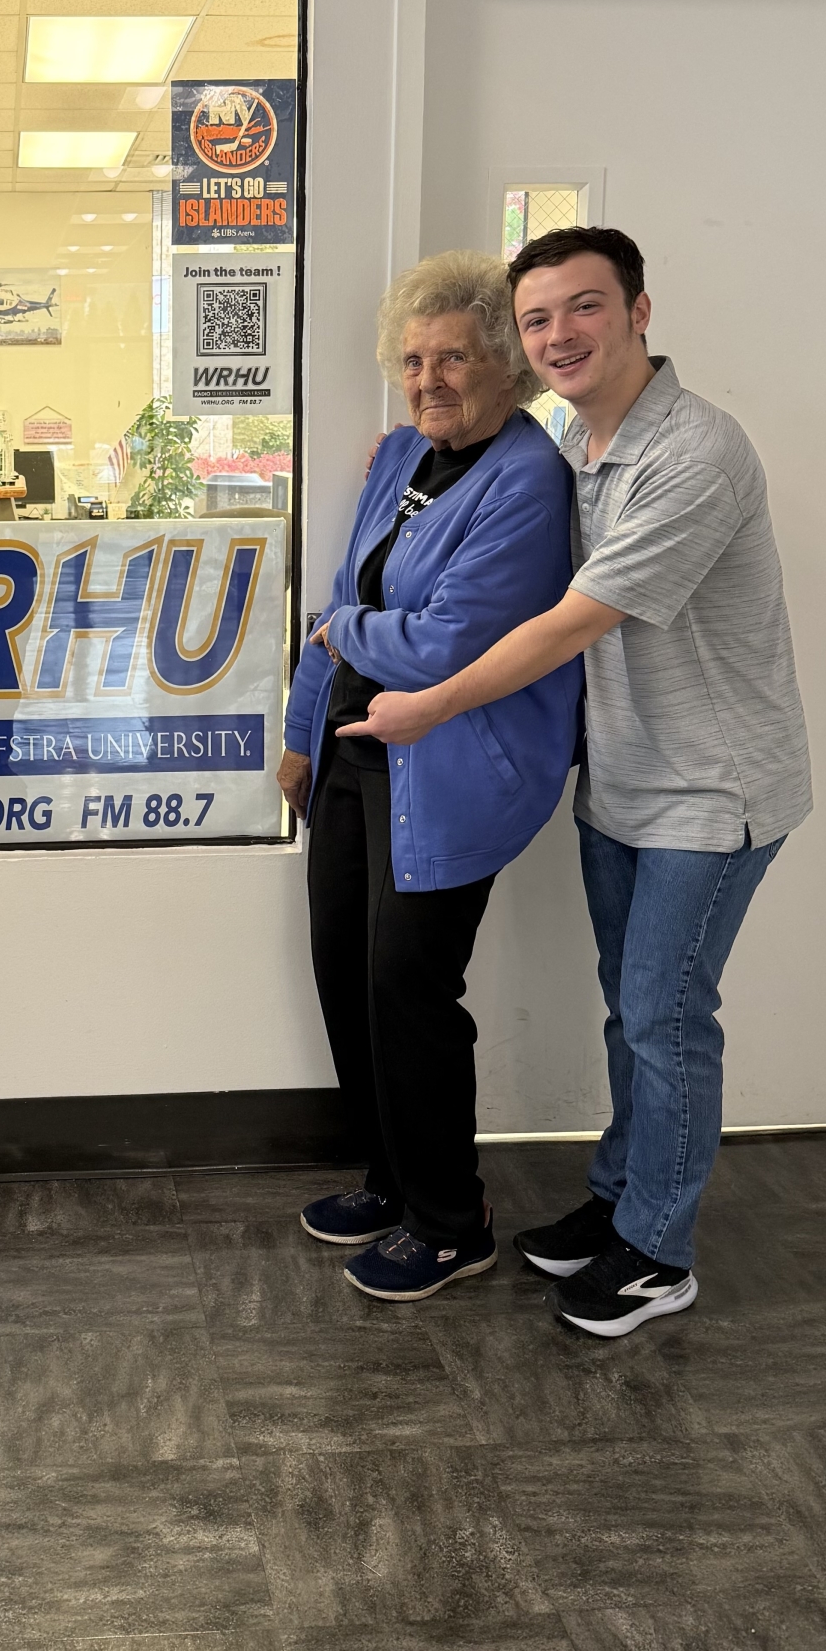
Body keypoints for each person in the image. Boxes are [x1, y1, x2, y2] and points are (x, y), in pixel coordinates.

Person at [341, 226, 810, 1337]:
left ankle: (657, 1251)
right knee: (630, 1009)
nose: (560, 334)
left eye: (584, 307)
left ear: (638, 312)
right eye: (538, 317)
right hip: (623, 775)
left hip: (712, 789)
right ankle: (618, 1198)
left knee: (665, 1015)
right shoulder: (578, 438)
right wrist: (399, 456)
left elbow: (566, 624)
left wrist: (430, 702)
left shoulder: (692, 455)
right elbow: (473, 448)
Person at [278, 251, 582, 1301]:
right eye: (412, 361)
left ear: (507, 364)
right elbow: (343, 589)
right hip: (354, 750)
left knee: (407, 987)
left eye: (452, 357)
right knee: (344, 971)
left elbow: (451, 641)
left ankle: (451, 1220)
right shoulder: (402, 453)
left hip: (453, 768)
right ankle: (390, 1179)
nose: (428, 380)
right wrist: (302, 731)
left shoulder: (528, 478)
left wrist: (346, 631)